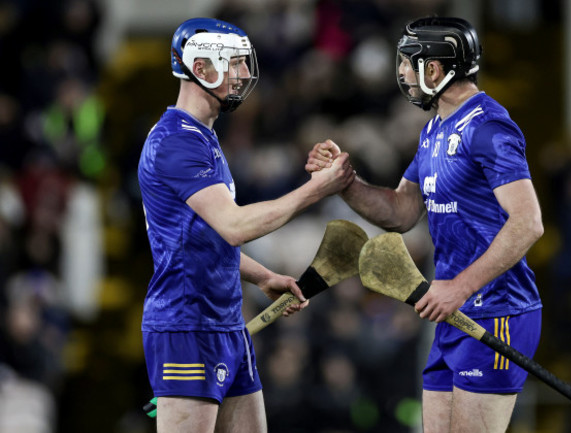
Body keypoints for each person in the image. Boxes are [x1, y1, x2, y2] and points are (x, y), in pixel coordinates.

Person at [307, 16, 544, 433]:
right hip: (454, 314)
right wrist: (345, 184)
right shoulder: (434, 129)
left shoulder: (488, 126)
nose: (402, 73)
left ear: (434, 69)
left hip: (496, 312)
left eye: (408, 62)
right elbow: (401, 211)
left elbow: (528, 223)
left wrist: (459, 287)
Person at [137, 17, 355, 433]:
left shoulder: (202, 136)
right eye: (232, 63)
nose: (242, 74)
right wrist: (316, 189)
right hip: (187, 324)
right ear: (200, 69)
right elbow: (235, 226)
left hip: (226, 323)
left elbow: (202, 239)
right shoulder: (176, 142)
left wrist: (262, 276)